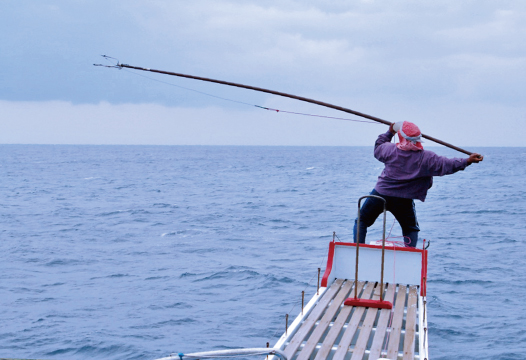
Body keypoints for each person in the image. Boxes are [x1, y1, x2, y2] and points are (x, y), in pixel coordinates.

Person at [354, 121, 483, 247]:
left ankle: (357, 250)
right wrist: (467, 160)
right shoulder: (427, 158)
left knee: (362, 220)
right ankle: (410, 257)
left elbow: (378, 147)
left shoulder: (389, 150)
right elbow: (448, 165)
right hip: (404, 199)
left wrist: (390, 132)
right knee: (410, 229)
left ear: (401, 137)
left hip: (380, 194)